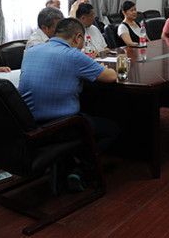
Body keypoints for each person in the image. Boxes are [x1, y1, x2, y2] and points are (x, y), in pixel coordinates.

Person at [19, 18, 119, 152]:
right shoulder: (74, 55)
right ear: (78, 38)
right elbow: (111, 76)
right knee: (112, 129)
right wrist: (104, 68)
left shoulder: (31, 51)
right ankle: (83, 163)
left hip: (28, 126)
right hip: (62, 125)